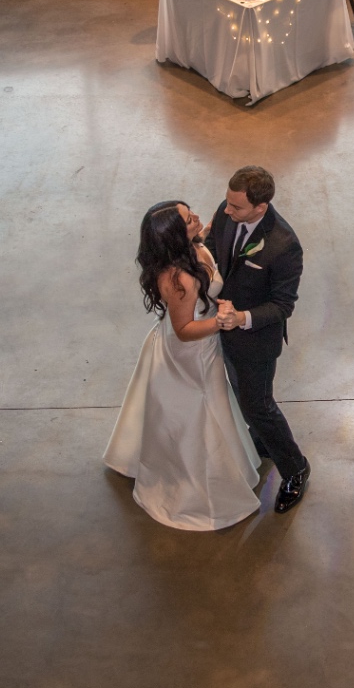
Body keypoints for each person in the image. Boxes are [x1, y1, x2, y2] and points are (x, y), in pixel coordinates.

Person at [104, 200, 262, 530]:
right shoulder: (180, 281)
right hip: (192, 356)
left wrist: (205, 231)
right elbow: (185, 330)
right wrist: (223, 321)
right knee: (197, 416)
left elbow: (204, 234)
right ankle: (199, 487)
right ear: (175, 238)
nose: (199, 220)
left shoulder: (189, 249)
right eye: (191, 221)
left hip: (200, 348)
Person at [204, 166, 310, 514]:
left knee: (258, 406)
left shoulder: (284, 246)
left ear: (260, 207)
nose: (226, 211)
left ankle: (295, 468)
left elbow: (282, 306)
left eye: (236, 208)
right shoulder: (225, 211)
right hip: (220, 329)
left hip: (255, 342)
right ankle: (264, 443)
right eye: (227, 203)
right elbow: (212, 246)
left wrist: (241, 319)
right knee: (239, 396)